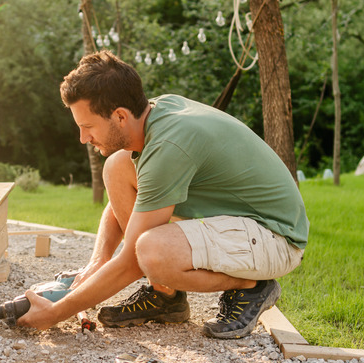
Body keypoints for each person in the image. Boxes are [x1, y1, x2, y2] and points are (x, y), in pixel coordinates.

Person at [17, 50, 308, 339]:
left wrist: (56, 313)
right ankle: (166, 297)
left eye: (88, 126)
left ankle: (252, 285)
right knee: (117, 166)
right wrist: (97, 262)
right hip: (246, 225)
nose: (83, 138)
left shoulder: (168, 146)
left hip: (276, 237)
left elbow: (132, 262)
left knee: (151, 252)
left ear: (119, 116)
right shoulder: (154, 115)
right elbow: (132, 200)